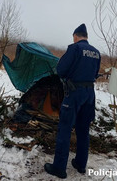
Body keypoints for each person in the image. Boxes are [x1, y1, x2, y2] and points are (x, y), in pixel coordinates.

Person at [44, 23, 101, 179]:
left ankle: (59, 168)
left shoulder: (74, 48)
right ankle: (81, 164)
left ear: (76, 36)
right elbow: (95, 73)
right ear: (86, 37)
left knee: (65, 128)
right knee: (83, 130)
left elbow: (61, 70)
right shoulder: (96, 52)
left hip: (74, 93)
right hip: (89, 94)